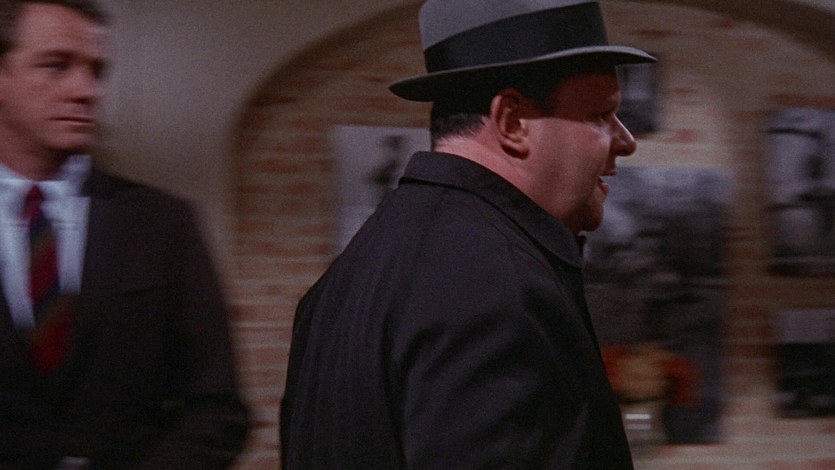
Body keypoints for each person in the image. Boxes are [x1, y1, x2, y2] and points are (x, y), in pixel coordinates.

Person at [281, 0, 656, 468]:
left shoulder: (345, 279)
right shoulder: (496, 285)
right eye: (600, 115)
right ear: (512, 122)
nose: (626, 141)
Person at [0, 1, 249, 468]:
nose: (87, 90)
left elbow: (216, 408)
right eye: (57, 66)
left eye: (96, 71)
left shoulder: (162, 224)